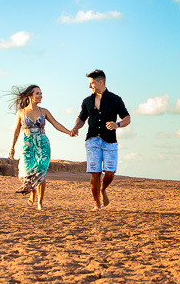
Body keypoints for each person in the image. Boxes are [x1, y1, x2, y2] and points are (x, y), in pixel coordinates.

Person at [69, 70, 130, 211]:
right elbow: (81, 118)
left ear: (100, 82)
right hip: (92, 141)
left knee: (110, 172)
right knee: (95, 173)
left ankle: (103, 189)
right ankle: (97, 204)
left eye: (92, 83)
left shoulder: (116, 99)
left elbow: (127, 118)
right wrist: (76, 127)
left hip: (110, 141)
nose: (89, 86)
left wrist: (117, 124)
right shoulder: (87, 101)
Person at [7, 85, 73, 211]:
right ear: (30, 96)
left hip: (42, 145)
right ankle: (33, 192)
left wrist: (69, 132)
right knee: (25, 173)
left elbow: (56, 124)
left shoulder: (44, 112)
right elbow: (16, 131)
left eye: (41, 93)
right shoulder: (21, 113)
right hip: (27, 146)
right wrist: (12, 147)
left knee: (41, 173)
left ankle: (40, 203)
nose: (40, 96)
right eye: (37, 93)